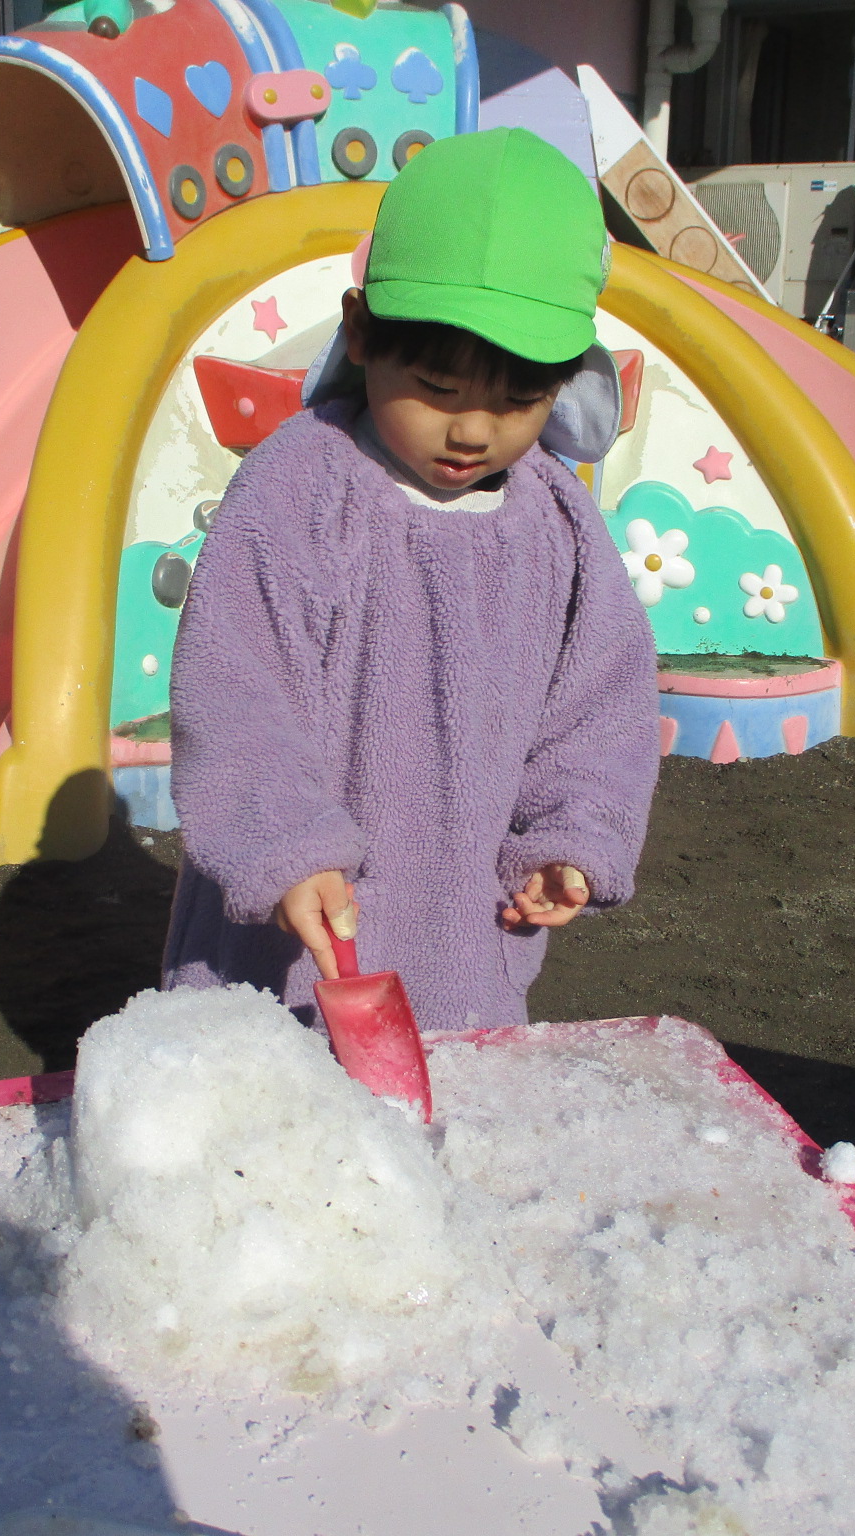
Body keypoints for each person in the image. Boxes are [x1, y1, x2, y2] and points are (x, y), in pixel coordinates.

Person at [161, 128, 661, 1034]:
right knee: (263, 1105)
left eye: (517, 401)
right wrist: (286, 846)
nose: (472, 431)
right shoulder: (299, 490)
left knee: (443, 1097)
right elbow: (236, 686)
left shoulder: (556, 520)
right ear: (361, 333)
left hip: (465, 933)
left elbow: (599, 706)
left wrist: (572, 837)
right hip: (293, 932)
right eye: (437, 387)